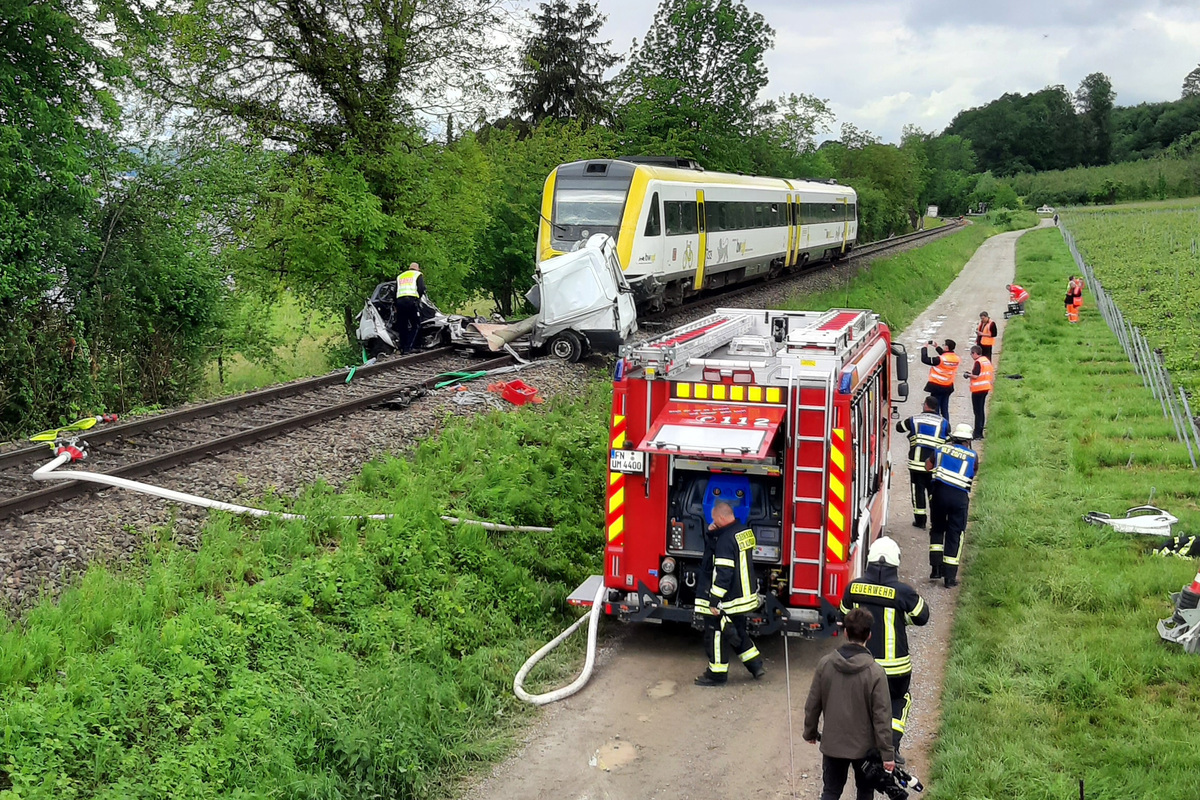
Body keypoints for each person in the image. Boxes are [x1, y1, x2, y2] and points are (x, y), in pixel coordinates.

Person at [839, 536, 930, 766]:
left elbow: (844, 615)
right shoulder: (903, 592)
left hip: (860, 664)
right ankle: (891, 749)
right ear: (895, 564)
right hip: (896, 668)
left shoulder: (854, 587)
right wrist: (902, 618)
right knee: (899, 701)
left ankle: (860, 748)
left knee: (862, 701)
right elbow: (923, 616)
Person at [803, 607, 895, 800]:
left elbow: (813, 703)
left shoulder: (825, 664)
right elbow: (882, 716)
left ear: (845, 632)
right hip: (865, 749)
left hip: (832, 745)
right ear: (869, 635)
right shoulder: (876, 672)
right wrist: (887, 754)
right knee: (865, 791)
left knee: (831, 791)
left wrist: (810, 732)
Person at [694, 501, 765, 686]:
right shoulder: (744, 532)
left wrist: (714, 599)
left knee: (716, 633)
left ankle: (716, 675)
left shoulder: (725, 540)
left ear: (722, 517)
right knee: (737, 631)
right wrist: (712, 533)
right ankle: (756, 665)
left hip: (728, 598)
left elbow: (724, 573)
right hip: (744, 597)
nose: (713, 521)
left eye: (715, 519)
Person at [925, 423, 979, 588]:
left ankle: (935, 569)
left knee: (937, 529)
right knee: (955, 534)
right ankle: (949, 578)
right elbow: (973, 472)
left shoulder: (941, 449)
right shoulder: (972, 455)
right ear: (968, 441)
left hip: (939, 494)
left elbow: (928, 466)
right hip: (958, 498)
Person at [896, 396, 950, 529]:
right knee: (934, 494)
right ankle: (936, 521)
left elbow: (899, 427)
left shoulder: (914, 420)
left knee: (918, 492)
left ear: (925, 405)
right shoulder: (944, 423)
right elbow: (948, 440)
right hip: (934, 466)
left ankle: (920, 521)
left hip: (916, 465)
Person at [920, 338, 959, 421]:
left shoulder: (939, 359)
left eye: (944, 345)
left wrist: (925, 347)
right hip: (948, 387)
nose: (943, 346)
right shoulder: (956, 358)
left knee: (935, 409)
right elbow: (945, 355)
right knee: (945, 409)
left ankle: (936, 426)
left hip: (937, 387)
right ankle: (946, 428)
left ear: (947, 348)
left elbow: (925, 359)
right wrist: (937, 347)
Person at [393, 263, 427, 354]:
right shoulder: (418, 275)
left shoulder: (400, 276)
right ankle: (410, 347)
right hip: (411, 301)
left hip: (400, 302)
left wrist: (395, 305)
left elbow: (395, 291)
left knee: (402, 325)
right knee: (416, 324)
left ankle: (403, 348)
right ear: (418, 269)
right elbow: (421, 288)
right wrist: (418, 299)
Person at [964, 345, 994, 440]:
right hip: (986, 387)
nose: (971, 356)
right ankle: (980, 432)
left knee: (977, 411)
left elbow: (976, 376)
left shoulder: (978, 362)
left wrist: (968, 375)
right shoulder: (986, 360)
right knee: (981, 410)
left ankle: (977, 433)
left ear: (975, 353)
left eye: (971, 354)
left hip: (978, 389)